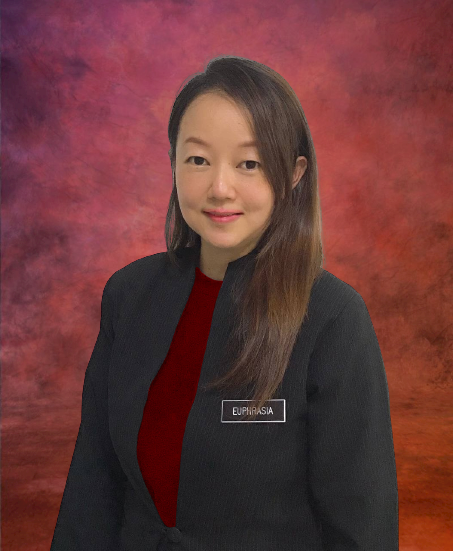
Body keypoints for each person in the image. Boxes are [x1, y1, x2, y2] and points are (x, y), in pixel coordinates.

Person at [50, 55, 398, 550]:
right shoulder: (128, 295)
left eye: (248, 164)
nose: (219, 188)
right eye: (198, 159)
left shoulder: (333, 318)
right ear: (173, 162)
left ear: (294, 173)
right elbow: (93, 486)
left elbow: (363, 527)